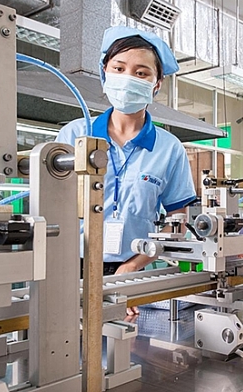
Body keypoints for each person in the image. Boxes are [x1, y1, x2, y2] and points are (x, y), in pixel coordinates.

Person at [56, 26, 196, 305]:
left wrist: (134, 265)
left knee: (123, 332)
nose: (128, 78)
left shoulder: (169, 149)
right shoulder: (75, 134)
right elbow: (53, 206)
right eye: (119, 69)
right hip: (70, 266)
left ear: (157, 83)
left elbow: (178, 223)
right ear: (104, 72)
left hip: (133, 270)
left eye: (141, 73)